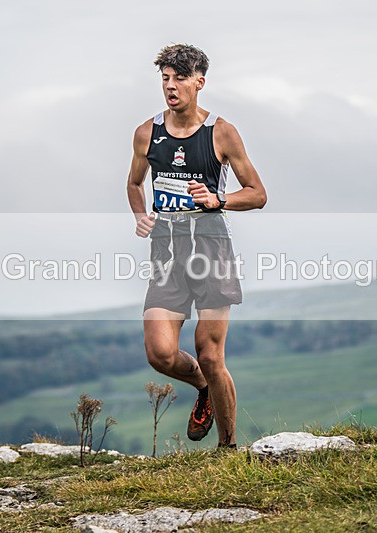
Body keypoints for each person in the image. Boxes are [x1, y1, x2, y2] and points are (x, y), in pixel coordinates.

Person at [126, 44, 267, 449]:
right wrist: (140, 214)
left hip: (211, 251)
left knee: (209, 352)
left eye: (180, 78)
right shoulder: (146, 133)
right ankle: (203, 386)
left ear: (199, 82)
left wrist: (217, 200)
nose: (171, 87)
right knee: (161, 353)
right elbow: (134, 183)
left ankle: (228, 449)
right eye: (165, 79)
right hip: (166, 254)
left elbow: (257, 194)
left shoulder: (221, 132)